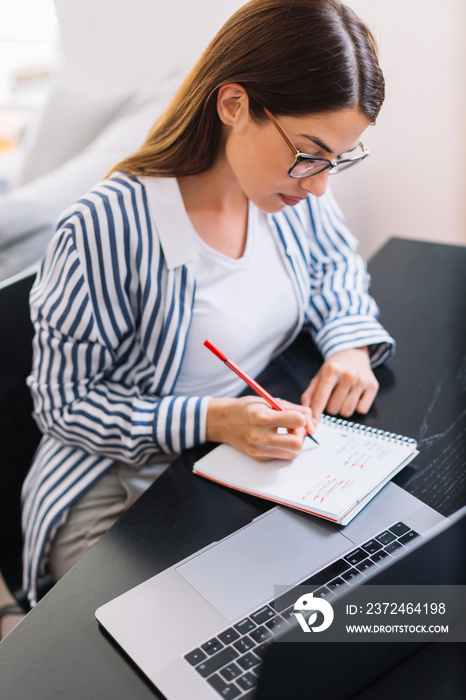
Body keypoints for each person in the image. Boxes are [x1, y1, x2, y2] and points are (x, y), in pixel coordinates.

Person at [22, 0, 395, 606]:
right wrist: (212, 418)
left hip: (229, 462)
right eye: (309, 152)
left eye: (337, 158)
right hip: (119, 487)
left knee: (336, 600)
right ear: (233, 105)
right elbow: (65, 408)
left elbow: (335, 266)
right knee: (198, 626)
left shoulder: (289, 187)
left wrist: (349, 344)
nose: (322, 183)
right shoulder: (106, 228)